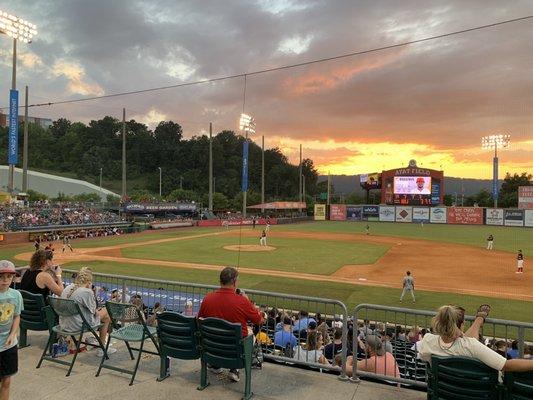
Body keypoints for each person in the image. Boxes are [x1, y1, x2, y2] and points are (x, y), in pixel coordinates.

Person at [419, 304, 533, 373]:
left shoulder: (428, 340)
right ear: (461, 325)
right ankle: (479, 319)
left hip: (443, 390)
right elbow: (506, 365)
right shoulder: (470, 345)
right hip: (473, 392)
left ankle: (479, 320)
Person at [198, 266, 263, 382]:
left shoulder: (207, 299)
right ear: (234, 282)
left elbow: (199, 320)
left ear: (220, 281)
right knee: (250, 334)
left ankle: (215, 365)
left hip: (211, 346)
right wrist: (247, 301)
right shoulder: (242, 301)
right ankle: (234, 369)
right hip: (234, 349)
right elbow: (259, 320)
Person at [60, 267, 116, 356]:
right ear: (89, 281)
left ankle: (102, 345)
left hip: (64, 324)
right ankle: (102, 347)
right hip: (78, 326)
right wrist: (90, 290)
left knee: (104, 314)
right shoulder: (86, 292)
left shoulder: (68, 288)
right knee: (107, 314)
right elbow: (94, 312)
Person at [0, 260, 23, 400]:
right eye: (1, 277)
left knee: (7, 380)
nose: (5, 280)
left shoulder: (16, 295)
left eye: (9, 276)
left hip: (9, 344)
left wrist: (13, 334)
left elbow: (16, 316)